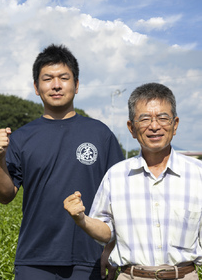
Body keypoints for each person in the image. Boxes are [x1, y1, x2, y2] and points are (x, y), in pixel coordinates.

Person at [0, 44, 124, 279]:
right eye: (48, 78)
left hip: (90, 258)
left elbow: (120, 200)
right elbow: (4, 195)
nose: (56, 85)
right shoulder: (21, 137)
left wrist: (111, 250)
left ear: (77, 85)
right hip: (35, 260)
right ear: (37, 88)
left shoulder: (101, 134)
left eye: (64, 78)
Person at [64, 82, 202, 280]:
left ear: (175, 124)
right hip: (132, 275)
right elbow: (106, 232)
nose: (154, 126)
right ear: (131, 128)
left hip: (184, 275)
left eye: (163, 118)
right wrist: (82, 219)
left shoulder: (197, 174)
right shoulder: (117, 175)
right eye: (144, 119)